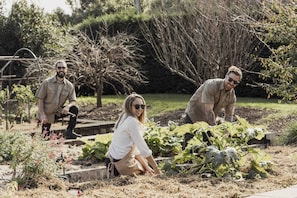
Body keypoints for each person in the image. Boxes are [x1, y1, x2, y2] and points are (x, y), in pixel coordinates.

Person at [105, 93, 161, 178]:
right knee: (146, 166)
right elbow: (143, 149)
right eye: (137, 106)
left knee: (146, 166)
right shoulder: (132, 122)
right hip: (121, 165)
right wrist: (156, 169)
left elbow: (135, 151)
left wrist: (147, 167)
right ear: (129, 107)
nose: (140, 109)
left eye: (142, 106)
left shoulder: (124, 117)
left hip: (111, 161)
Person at [35, 60, 80, 139]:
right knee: (45, 137)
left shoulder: (69, 86)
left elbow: (73, 100)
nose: (61, 69)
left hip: (59, 112)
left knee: (74, 109)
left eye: (63, 68)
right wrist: (42, 115)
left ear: (66, 69)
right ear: (56, 69)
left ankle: (70, 132)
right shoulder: (47, 82)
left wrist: (68, 106)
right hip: (47, 114)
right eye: (59, 68)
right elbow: (40, 99)